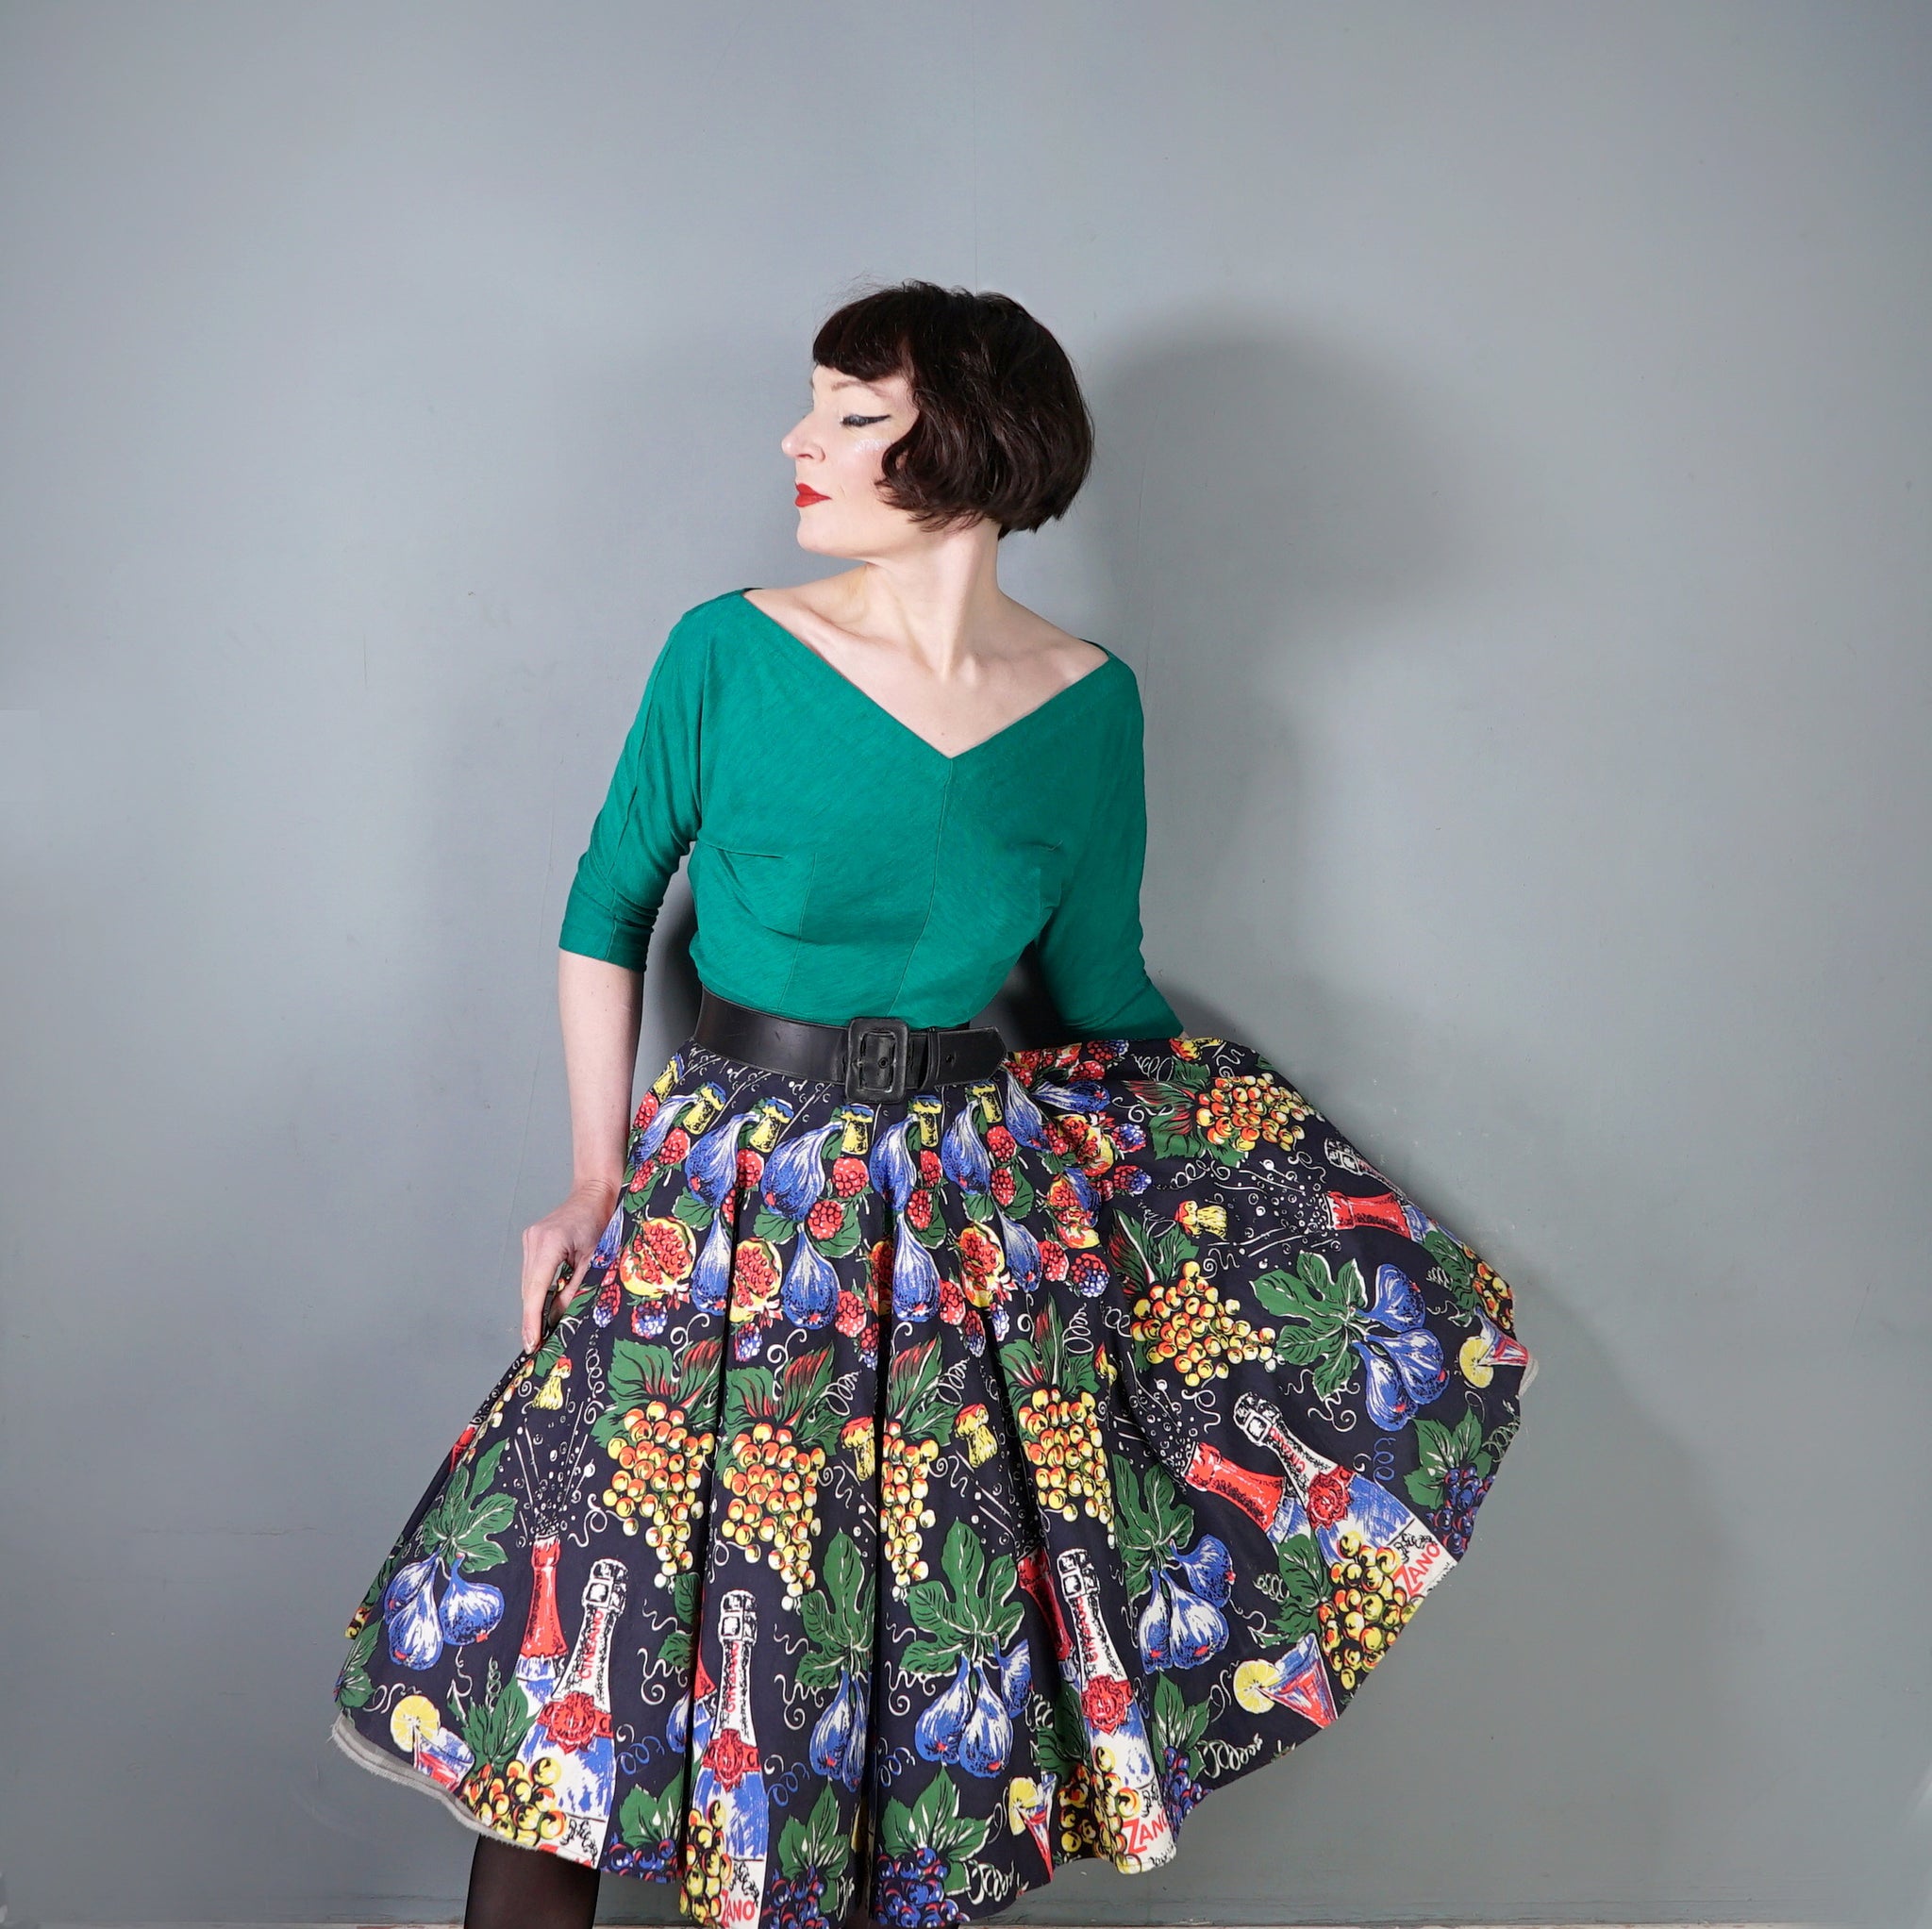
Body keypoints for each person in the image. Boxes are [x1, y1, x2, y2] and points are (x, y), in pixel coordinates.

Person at [330, 281, 1536, 1929]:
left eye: (850, 412)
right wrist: (590, 1180)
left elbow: (1102, 989)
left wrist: (1324, 1218)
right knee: (584, 1644)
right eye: (815, 403)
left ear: (963, 440)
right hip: (722, 1203)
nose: (798, 439)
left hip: (963, 1230)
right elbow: (605, 908)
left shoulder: (1090, 704)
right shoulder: (730, 650)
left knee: (873, 1672)